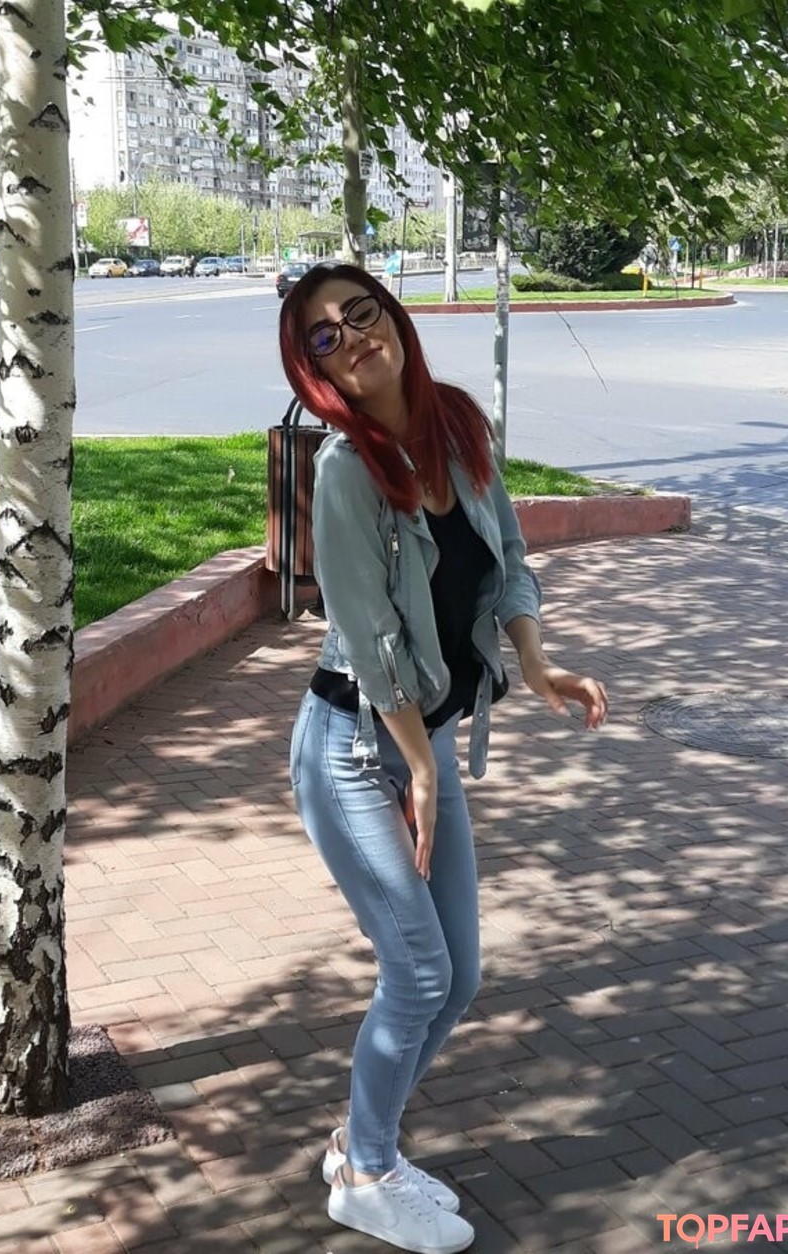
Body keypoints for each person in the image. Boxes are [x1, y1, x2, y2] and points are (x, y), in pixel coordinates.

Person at [278, 264, 609, 1254]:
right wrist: (418, 769)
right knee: (419, 973)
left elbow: (507, 560)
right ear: (314, 369)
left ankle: (361, 1142)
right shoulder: (347, 472)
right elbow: (371, 637)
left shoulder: (458, 428)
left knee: (458, 978)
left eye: (361, 313)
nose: (351, 336)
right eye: (326, 335)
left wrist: (536, 667)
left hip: (428, 744)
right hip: (353, 748)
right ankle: (366, 1175)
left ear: (393, 318)